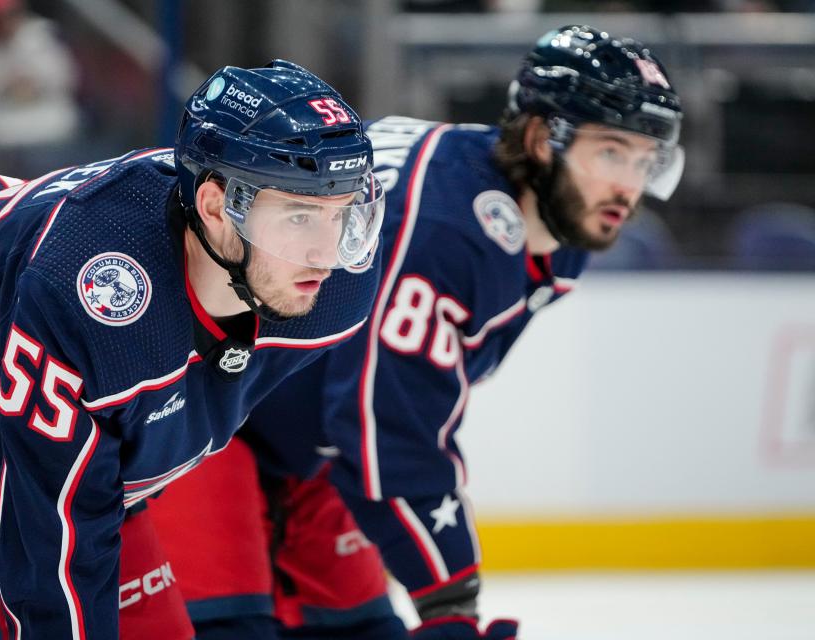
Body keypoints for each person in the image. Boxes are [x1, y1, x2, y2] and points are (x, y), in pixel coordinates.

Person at [151, 24, 685, 640]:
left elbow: (374, 407)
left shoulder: (553, 227)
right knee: (230, 628)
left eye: (647, 160)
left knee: (360, 629)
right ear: (541, 138)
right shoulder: (450, 230)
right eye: (612, 151)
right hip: (197, 414)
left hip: (306, 439)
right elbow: (385, 420)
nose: (629, 184)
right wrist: (449, 599)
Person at [0, 59, 385, 640]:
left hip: (32, 386)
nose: (325, 253)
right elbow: (54, 529)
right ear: (213, 207)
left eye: (343, 216)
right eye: (300, 215)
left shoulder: (332, 284)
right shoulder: (94, 289)